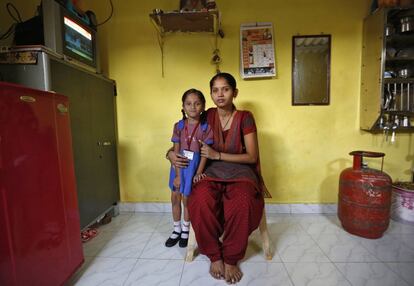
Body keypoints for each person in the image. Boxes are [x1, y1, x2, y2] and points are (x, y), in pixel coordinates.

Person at [167, 73, 268, 284]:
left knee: (243, 202)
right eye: (215, 90)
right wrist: (169, 153)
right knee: (200, 198)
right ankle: (214, 254)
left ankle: (231, 258)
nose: (220, 94)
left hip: (241, 171)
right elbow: (186, 139)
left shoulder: (245, 117)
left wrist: (217, 155)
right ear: (211, 94)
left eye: (226, 89)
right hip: (209, 171)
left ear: (235, 92)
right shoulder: (206, 115)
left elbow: (251, 156)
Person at [165, 88, 213, 248]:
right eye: (189, 103)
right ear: (183, 106)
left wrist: (198, 173)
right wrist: (178, 175)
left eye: (197, 103)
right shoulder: (178, 126)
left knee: (187, 199)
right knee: (175, 198)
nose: (193, 107)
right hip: (178, 166)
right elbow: (175, 150)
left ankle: (186, 230)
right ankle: (176, 229)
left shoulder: (205, 128)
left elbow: (205, 153)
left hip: (193, 168)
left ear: (203, 106)